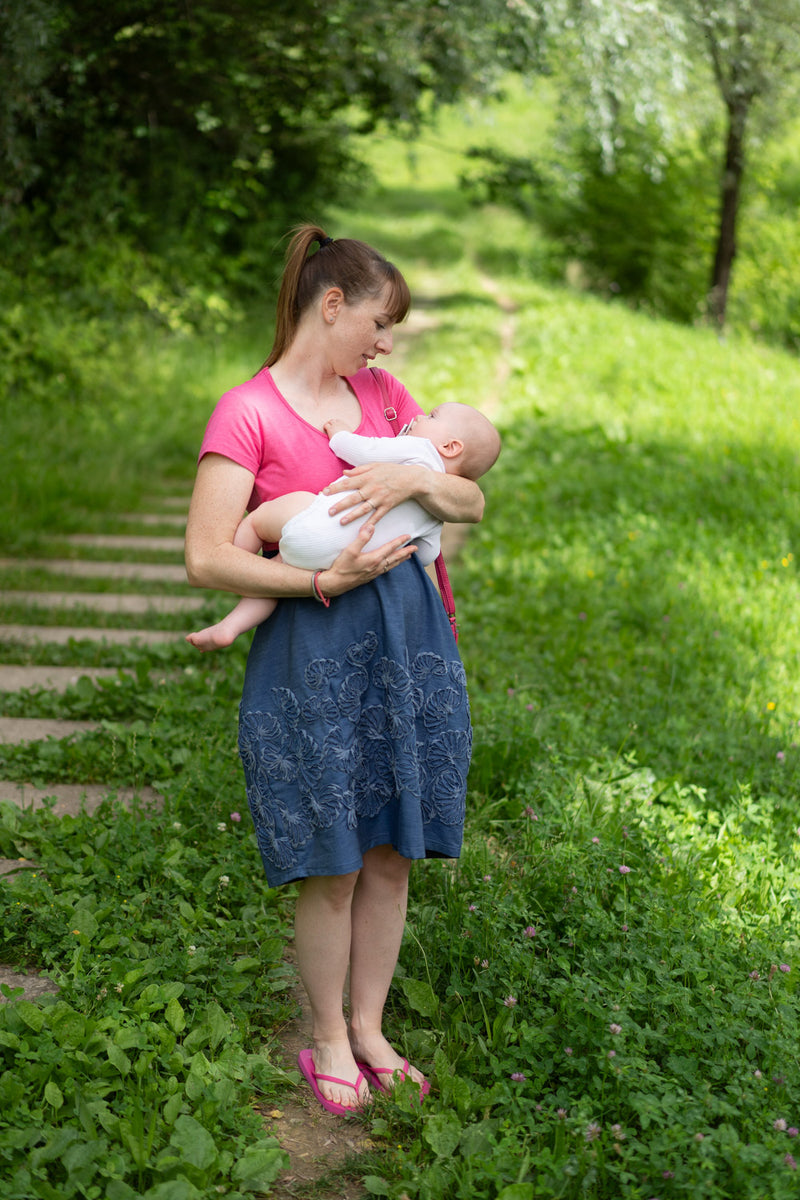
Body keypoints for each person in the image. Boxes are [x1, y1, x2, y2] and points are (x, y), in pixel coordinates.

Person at [184, 224, 491, 1117]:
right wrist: (317, 577)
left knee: (393, 853)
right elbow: (207, 556)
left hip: (413, 647)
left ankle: (370, 1026)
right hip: (313, 654)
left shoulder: (386, 397)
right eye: (380, 322)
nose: (387, 345)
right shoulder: (246, 412)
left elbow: (469, 494)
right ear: (332, 306)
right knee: (336, 860)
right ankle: (325, 1034)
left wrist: (414, 486)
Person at [186, 401, 500, 652]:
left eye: (432, 415)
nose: (419, 415)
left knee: (259, 519)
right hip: (343, 558)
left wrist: (339, 435)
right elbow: (427, 553)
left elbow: (369, 451)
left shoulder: (419, 451)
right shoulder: (435, 514)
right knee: (286, 564)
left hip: (316, 520)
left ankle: (236, 564)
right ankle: (230, 627)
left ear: (450, 447)